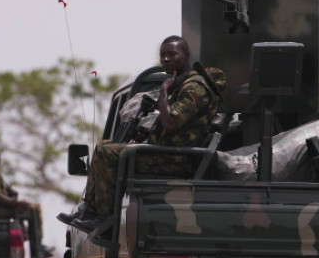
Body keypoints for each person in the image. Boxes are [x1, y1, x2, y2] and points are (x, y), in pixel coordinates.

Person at [77, 35, 226, 225]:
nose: (166, 59)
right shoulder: (183, 83)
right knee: (103, 146)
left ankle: (104, 221)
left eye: (172, 54)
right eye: (162, 55)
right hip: (166, 152)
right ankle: (90, 211)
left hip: (174, 159)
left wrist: (163, 90)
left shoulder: (194, 88)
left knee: (108, 153)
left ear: (186, 55)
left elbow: (171, 122)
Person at [0, 146, 53, 258]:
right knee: (34, 208)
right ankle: (37, 249)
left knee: (27, 207)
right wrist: (16, 203)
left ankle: (30, 239)